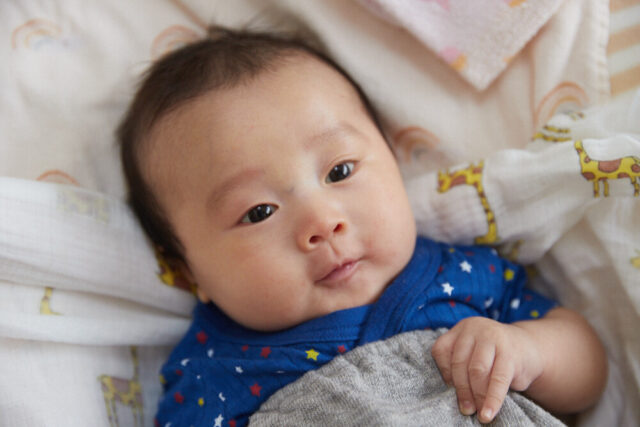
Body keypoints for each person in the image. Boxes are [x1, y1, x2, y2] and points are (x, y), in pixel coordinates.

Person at [118, 26, 607, 427]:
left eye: (340, 171)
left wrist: (528, 351)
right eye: (259, 211)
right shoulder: (212, 374)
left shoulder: (459, 277)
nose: (322, 222)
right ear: (189, 272)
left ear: (393, 161)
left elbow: (589, 375)